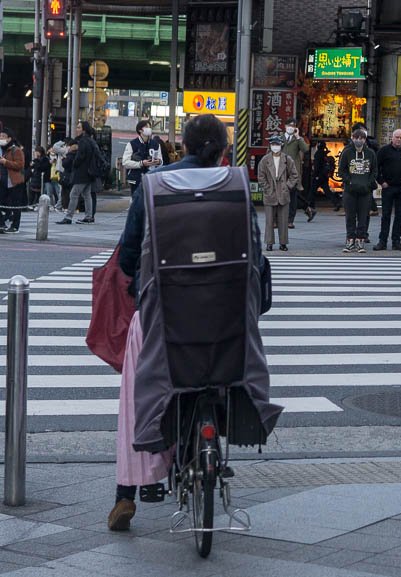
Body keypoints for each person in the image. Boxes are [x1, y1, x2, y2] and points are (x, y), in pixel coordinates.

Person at [112, 114, 268, 532]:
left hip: (164, 314)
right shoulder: (235, 186)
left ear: (181, 146)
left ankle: (126, 494)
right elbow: (256, 253)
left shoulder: (152, 185)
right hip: (225, 314)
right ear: (221, 152)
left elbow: (129, 253)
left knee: (135, 390)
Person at [257, 134, 299, 252]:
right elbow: (261, 176)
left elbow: (294, 175)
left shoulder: (287, 159)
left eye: (277, 144)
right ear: (270, 146)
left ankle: (283, 243)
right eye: (273, 144)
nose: (275, 146)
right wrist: (267, 188)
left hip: (283, 193)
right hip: (270, 193)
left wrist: (287, 186)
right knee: (269, 221)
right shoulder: (265, 160)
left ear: (281, 145)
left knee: (283, 220)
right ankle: (269, 243)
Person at [339, 128, 378, 253]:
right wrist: (349, 181)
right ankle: (350, 240)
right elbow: (341, 170)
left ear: (365, 140)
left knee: (363, 216)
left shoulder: (370, 153)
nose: (358, 140)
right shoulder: (347, 152)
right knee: (350, 216)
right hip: (350, 190)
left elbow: (374, 171)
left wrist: (369, 183)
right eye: (356, 138)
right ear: (352, 138)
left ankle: (360, 240)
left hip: (365, 190)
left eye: (361, 138)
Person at [374, 129, 401, 251]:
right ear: (392, 138)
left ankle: (396, 241)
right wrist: (381, 182)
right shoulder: (384, 151)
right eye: (396, 137)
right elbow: (375, 167)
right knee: (385, 215)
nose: (398, 140)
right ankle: (382, 241)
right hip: (388, 187)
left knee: (400, 215)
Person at [58, 121, 101, 225]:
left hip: (82, 173)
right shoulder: (91, 141)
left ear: (84, 130)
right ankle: (89, 216)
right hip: (90, 173)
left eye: (78, 127)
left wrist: (74, 164)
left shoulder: (82, 142)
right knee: (87, 194)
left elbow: (80, 157)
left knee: (74, 194)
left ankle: (68, 217)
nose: (76, 129)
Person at [281, 118, 310, 227]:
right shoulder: (280, 138)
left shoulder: (298, 139)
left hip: (293, 172)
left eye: (293, 126)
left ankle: (290, 220)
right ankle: (278, 218)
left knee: (293, 197)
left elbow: (306, 149)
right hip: (281, 171)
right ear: (285, 126)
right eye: (289, 125)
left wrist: (298, 137)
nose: (290, 128)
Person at [121, 120, 162, 195]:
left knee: (150, 201)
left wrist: (158, 162)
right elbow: (125, 162)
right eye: (146, 127)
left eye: (150, 127)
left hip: (151, 178)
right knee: (136, 199)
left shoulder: (156, 144)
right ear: (140, 130)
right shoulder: (132, 144)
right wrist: (141, 163)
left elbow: (161, 160)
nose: (149, 129)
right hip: (136, 178)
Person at [0, 130, 27, 234]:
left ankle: (15, 226)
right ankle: (2, 224)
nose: (1, 138)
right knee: (2, 204)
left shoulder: (16, 150)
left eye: (3, 136)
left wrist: (5, 162)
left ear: (9, 138)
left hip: (14, 182)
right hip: (3, 182)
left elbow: (20, 165)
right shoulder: (3, 150)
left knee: (16, 205)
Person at [312, 142, 337, 210]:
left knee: (312, 191)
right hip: (324, 175)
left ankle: (310, 205)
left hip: (318, 176)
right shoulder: (324, 154)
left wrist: (315, 175)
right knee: (327, 191)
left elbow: (317, 166)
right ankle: (336, 203)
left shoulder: (318, 154)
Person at [29, 146, 51, 210]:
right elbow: (31, 166)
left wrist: (36, 162)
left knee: (40, 192)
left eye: (36, 152)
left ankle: (38, 204)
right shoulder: (35, 160)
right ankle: (31, 204)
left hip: (42, 177)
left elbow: (42, 167)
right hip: (35, 177)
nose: (35, 153)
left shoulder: (45, 159)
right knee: (32, 191)